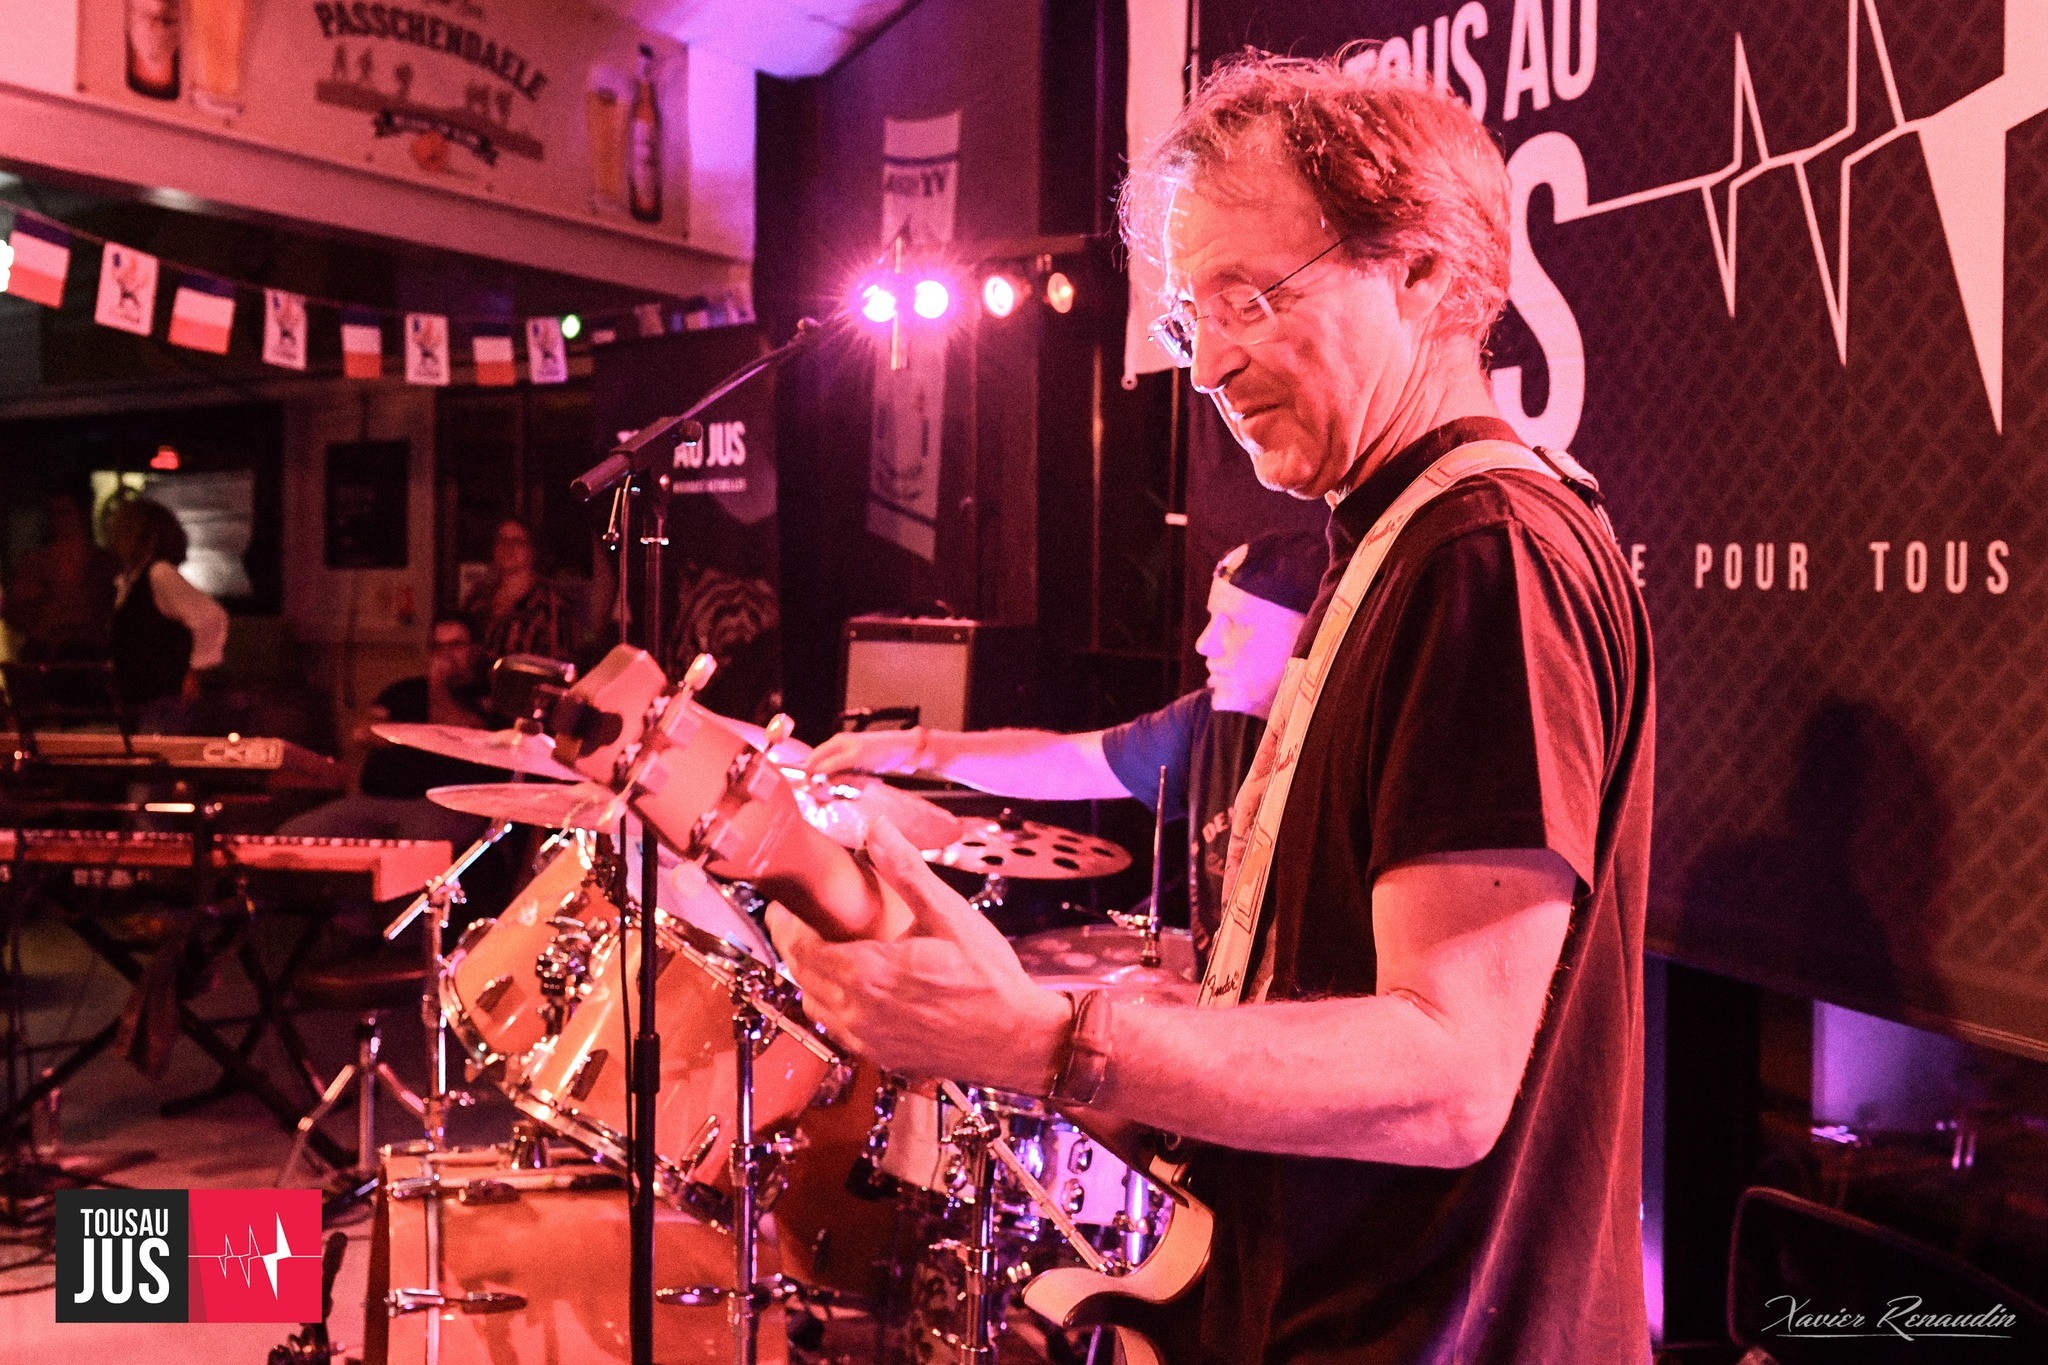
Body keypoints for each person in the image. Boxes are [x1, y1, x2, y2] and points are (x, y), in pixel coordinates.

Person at [768, 51, 1655, 1364]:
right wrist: (1011, 991)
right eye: (1191, 320)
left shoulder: (1487, 554)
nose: (1211, 364)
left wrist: (1046, 1041)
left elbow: (1449, 1077)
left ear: (1422, 272)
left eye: (1249, 296)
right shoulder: (1400, 542)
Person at [805, 531, 1325, 964]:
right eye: (1211, 618)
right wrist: (914, 748)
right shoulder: (1207, 721)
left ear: (1310, 638)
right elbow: (1066, 763)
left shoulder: (1344, 749)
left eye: (1237, 625)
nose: (1204, 643)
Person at [105, 496, 229, 731]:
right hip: (141, 699)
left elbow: (211, 617)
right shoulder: (131, 579)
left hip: (163, 700)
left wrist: (194, 672)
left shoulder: (158, 573)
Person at [3, 495, 120, 664]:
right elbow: (15, 612)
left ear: (83, 513)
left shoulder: (106, 563)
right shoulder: (36, 563)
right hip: (45, 652)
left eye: (65, 512)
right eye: (55, 513)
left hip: (93, 653)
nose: (59, 520)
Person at [461, 517, 575, 664]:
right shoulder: (478, 598)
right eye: (502, 540)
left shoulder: (552, 606)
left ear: (533, 550)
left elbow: (560, 664)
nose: (508, 547)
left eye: (517, 541)